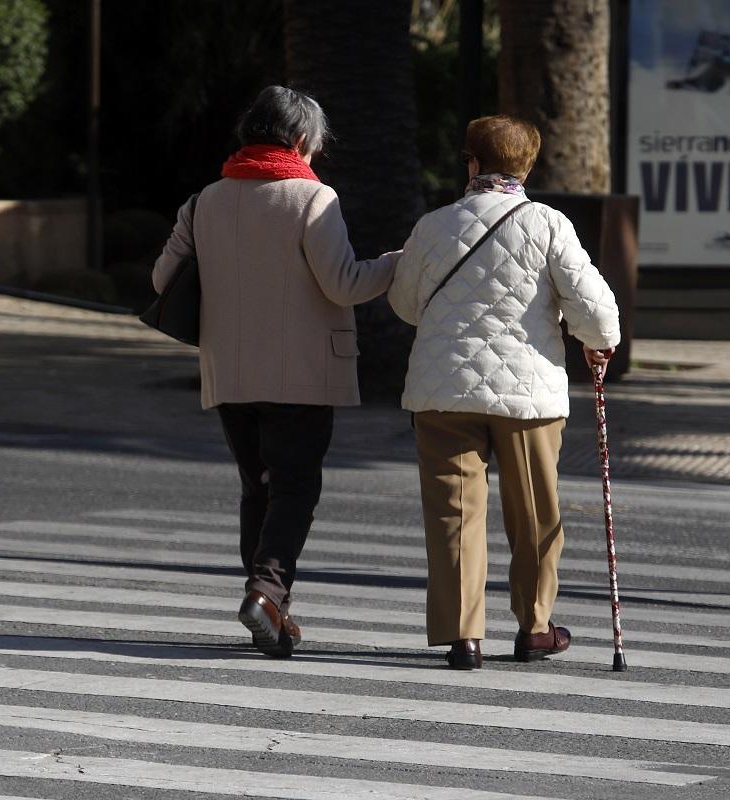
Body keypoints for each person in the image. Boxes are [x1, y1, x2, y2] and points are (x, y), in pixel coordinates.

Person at [152, 85, 399, 658]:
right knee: (294, 487)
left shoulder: (203, 200)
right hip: (303, 373)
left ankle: (271, 608)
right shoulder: (313, 200)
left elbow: (162, 280)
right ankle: (265, 593)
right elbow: (345, 284)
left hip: (230, 372)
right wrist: (399, 263)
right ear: (301, 140)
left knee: (256, 487)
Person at [387, 114, 621, 670]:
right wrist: (595, 342)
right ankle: (535, 627)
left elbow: (403, 303)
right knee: (536, 511)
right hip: (529, 397)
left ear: (471, 163)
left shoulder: (433, 225)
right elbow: (598, 315)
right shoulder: (548, 225)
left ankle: (463, 635)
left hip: (441, 391)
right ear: (527, 165)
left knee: (454, 514)